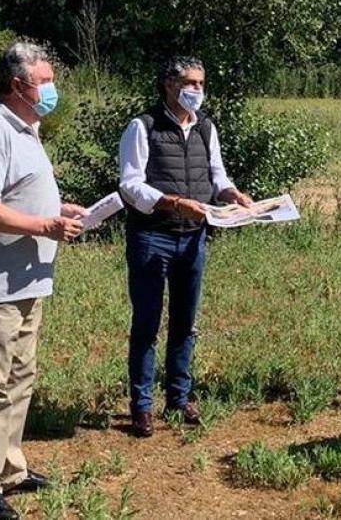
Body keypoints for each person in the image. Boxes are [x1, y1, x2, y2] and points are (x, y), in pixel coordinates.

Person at [0, 42, 87, 520]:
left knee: (19, 379)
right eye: (44, 81)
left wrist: (58, 211)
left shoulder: (27, 128)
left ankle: (10, 470)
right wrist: (46, 227)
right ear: (17, 85)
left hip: (26, 281)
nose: (51, 90)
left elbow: (16, 196)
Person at [118, 56, 252, 438]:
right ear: (169, 85)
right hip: (152, 236)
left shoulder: (206, 126)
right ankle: (142, 407)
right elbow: (130, 185)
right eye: (190, 83)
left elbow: (216, 174)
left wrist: (232, 194)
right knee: (146, 323)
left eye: (201, 83)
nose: (197, 90)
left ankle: (179, 396)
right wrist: (173, 202)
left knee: (185, 322)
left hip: (193, 238)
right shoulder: (142, 127)